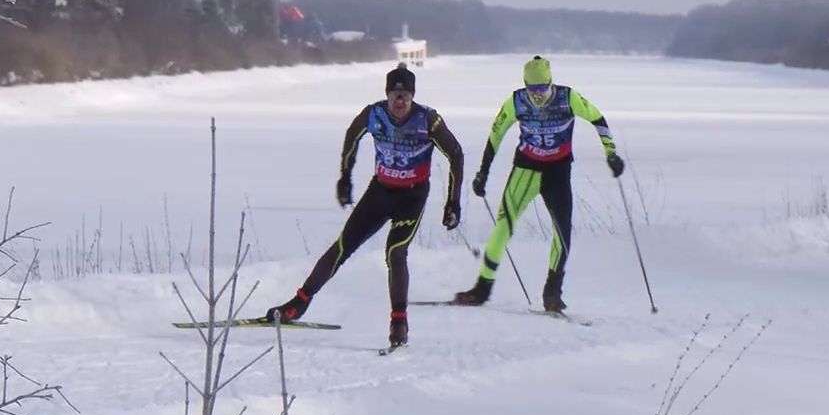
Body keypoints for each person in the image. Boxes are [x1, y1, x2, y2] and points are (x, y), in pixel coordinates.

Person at [264, 63, 465, 348]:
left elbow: (456, 153)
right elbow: (352, 135)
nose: (400, 103)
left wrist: (453, 203)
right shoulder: (374, 114)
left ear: (412, 97)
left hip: (412, 196)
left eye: (406, 97)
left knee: (395, 253)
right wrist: (345, 177)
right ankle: (300, 302)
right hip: (380, 192)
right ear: (387, 95)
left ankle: (399, 322)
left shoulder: (428, 120)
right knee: (342, 246)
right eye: (395, 96)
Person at [454, 55, 624, 314]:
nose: (537, 95)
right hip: (526, 169)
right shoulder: (516, 101)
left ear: (551, 83)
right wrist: (483, 173)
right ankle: (481, 289)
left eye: (542, 89)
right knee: (503, 226)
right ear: (525, 86)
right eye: (532, 89)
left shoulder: (568, 98)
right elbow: (496, 134)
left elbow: (598, 119)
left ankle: (552, 293)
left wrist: (611, 153)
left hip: (558, 172)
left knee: (562, 234)